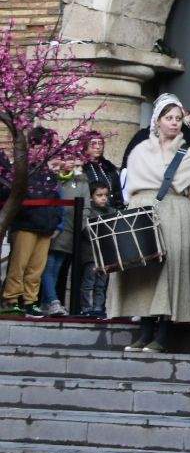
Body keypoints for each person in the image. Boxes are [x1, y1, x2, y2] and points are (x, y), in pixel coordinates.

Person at [114, 94, 190, 352]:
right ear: (157, 121)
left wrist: (184, 212)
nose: (174, 123)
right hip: (141, 209)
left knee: (170, 271)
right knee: (145, 271)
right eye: (169, 118)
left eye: (178, 118)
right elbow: (127, 184)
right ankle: (145, 332)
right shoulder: (139, 149)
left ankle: (164, 334)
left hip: (175, 212)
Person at [1, 129, 63, 318]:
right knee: (18, 265)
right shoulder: (22, 169)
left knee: (36, 268)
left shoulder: (49, 173)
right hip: (25, 224)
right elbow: (12, 195)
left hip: (45, 226)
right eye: (39, 145)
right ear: (32, 146)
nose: (43, 150)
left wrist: (55, 222)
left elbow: (56, 199)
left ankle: (30, 301)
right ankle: (11, 299)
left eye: (47, 146)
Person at [42, 154, 88, 317]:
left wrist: (80, 227)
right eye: (66, 158)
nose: (69, 162)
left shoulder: (81, 180)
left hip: (69, 231)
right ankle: (53, 301)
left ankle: (48, 303)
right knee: (47, 267)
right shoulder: (51, 177)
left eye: (72, 159)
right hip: (50, 228)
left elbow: (85, 207)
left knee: (56, 269)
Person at [78, 180, 113, 319]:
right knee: (89, 282)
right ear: (91, 197)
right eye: (99, 195)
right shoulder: (89, 212)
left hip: (105, 254)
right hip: (91, 254)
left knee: (101, 283)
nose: (103, 198)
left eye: (105, 195)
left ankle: (98, 308)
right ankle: (87, 307)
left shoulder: (111, 211)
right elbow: (87, 231)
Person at [80, 133, 122, 209]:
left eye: (100, 143)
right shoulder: (81, 167)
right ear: (85, 147)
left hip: (111, 210)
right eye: (93, 143)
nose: (98, 147)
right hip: (90, 211)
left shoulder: (108, 167)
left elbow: (117, 192)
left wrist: (119, 209)